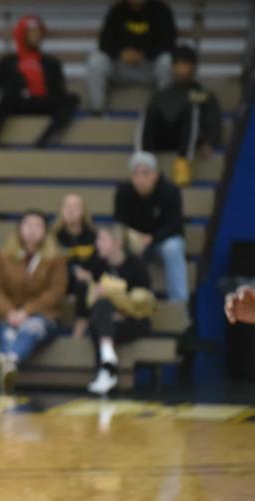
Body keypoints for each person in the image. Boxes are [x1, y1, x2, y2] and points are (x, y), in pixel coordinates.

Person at [0, 210, 67, 392]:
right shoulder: (4, 256)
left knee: (31, 327)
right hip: (9, 315)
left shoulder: (55, 259)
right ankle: (10, 365)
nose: (32, 230)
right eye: (28, 225)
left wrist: (27, 311)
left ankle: (8, 359)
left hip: (43, 315)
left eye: (37, 226)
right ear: (19, 229)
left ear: (45, 231)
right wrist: (10, 312)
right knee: (7, 329)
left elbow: (55, 292)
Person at [80, 225, 155, 394]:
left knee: (101, 319)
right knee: (101, 311)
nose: (97, 244)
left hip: (134, 319)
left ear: (117, 243)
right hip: (108, 319)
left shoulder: (136, 265)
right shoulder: (97, 264)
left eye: (102, 240)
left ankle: (107, 369)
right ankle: (108, 361)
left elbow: (144, 302)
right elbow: (91, 301)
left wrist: (115, 297)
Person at [0, 15, 79, 148]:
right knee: (6, 96)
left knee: (72, 99)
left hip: (43, 101)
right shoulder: (7, 62)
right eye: (32, 32)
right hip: (17, 102)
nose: (37, 35)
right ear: (22, 34)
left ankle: (45, 140)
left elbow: (60, 91)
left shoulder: (52, 63)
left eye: (39, 32)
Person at [140, 44, 223, 187]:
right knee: (151, 110)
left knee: (190, 109)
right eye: (178, 64)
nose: (181, 69)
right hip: (164, 139)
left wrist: (210, 142)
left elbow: (214, 120)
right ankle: (145, 165)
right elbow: (146, 122)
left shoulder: (203, 94)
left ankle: (183, 165)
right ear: (172, 67)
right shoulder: (162, 92)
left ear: (194, 67)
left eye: (185, 64)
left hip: (190, 142)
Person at [113, 151, 188, 302]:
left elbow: (175, 225)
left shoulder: (170, 191)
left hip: (162, 240)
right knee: (119, 246)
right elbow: (120, 223)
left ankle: (179, 303)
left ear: (156, 174)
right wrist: (132, 238)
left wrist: (152, 238)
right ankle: (125, 300)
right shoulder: (123, 192)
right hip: (136, 241)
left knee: (173, 248)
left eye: (145, 173)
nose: (140, 179)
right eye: (136, 174)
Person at [86, 0, 176, 115]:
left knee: (167, 61)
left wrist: (144, 54)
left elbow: (168, 43)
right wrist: (120, 53)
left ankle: (165, 112)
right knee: (96, 60)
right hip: (121, 67)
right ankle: (97, 111)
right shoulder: (117, 10)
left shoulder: (161, 10)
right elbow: (104, 43)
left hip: (150, 67)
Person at [52, 193, 98, 337]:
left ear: (84, 210)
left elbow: (99, 264)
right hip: (60, 282)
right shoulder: (52, 236)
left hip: (84, 284)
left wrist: (87, 274)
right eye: (67, 206)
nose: (71, 210)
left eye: (76, 206)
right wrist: (72, 269)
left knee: (84, 283)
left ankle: (79, 329)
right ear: (60, 210)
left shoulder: (93, 236)